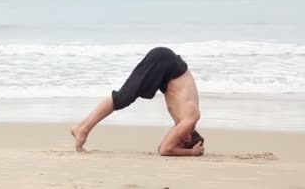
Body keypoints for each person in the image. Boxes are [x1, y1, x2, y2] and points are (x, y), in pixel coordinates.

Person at [69, 46, 205, 156]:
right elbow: (165, 149)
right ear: (187, 138)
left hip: (166, 69)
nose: (175, 144)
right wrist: (192, 152)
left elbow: (164, 147)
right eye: (179, 144)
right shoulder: (190, 119)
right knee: (123, 98)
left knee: (125, 97)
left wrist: (183, 149)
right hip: (165, 62)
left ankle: (82, 127)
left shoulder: (185, 120)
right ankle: (83, 128)